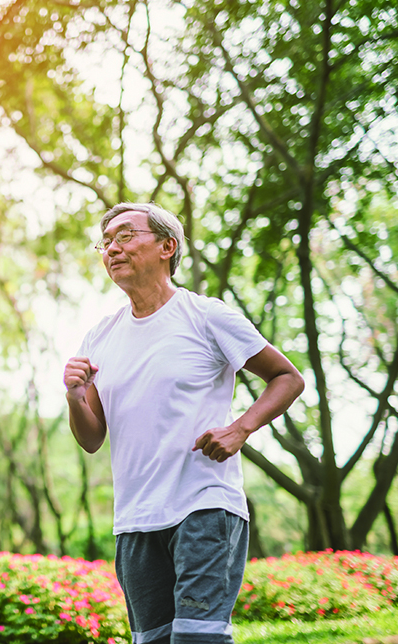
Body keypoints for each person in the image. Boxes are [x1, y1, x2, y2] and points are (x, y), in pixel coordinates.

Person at [63, 202, 304, 644]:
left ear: (166, 246)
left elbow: (287, 377)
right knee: (153, 641)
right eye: (106, 242)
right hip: (135, 518)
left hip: (204, 504)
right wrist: (76, 397)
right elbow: (92, 438)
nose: (112, 248)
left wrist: (240, 429)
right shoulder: (100, 336)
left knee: (198, 638)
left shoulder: (206, 316)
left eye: (125, 236)